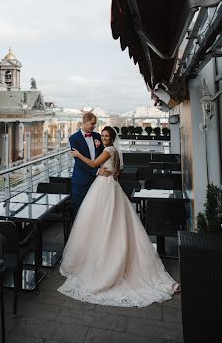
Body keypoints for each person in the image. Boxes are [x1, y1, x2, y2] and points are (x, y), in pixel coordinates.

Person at [58, 126, 179, 307]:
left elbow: (92, 164)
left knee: (101, 221)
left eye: (107, 136)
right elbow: (118, 172)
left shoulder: (108, 150)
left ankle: (103, 258)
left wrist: (78, 156)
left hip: (103, 187)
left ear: (112, 138)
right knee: (112, 220)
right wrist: (108, 168)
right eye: (103, 136)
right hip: (111, 185)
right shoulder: (114, 151)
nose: (104, 138)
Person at [69, 112, 105, 217]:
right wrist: (97, 171)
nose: (94, 126)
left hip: (97, 180)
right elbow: (79, 162)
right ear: (84, 122)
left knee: (95, 209)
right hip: (81, 180)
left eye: (95, 124)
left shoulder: (97, 136)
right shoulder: (74, 138)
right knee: (79, 209)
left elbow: (103, 154)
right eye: (92, 124)